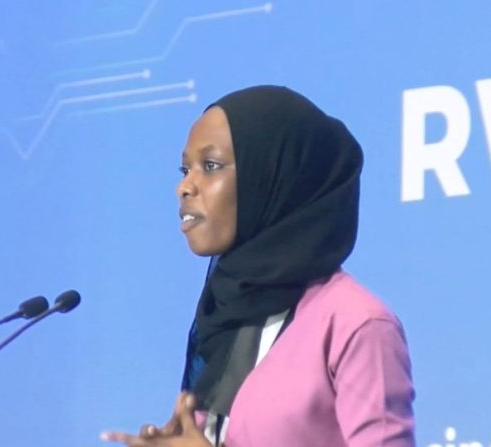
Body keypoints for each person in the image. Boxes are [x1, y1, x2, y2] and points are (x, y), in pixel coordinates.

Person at [101, 86, 415, 446]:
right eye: (185, 169)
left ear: (274, 176)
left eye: (210, 166)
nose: (184, 187)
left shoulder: (357, 323)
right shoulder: (226, 317)